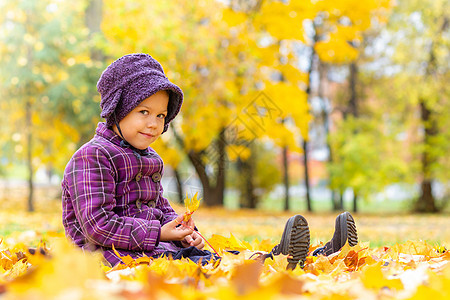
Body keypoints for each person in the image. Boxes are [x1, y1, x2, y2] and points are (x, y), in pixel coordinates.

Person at [62, 53, 358, 270]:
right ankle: (279, 262)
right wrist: (161, 233)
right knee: (205, 268)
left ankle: (318, 255)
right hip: (114, 260)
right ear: (118, 109)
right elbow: (97, 226)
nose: (154, 124)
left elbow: (161, 209)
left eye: (161, 115)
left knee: (216, 257)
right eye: (143, 112)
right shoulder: (93, 157)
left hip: (155, 248)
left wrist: (182, 230)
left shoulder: (149, 158)